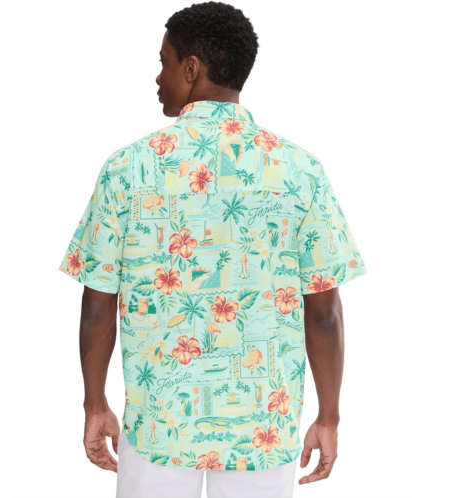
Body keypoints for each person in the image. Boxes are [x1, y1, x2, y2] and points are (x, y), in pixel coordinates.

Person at [59, 2, 367, 497]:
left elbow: (97, 307)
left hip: (158, 428)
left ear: (191, 69)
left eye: (163, 62)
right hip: (263, 431)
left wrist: (95, 405)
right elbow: (325, 314)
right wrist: (328, 417)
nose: (157, 76)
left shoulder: (127, 169)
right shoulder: (301, 171)